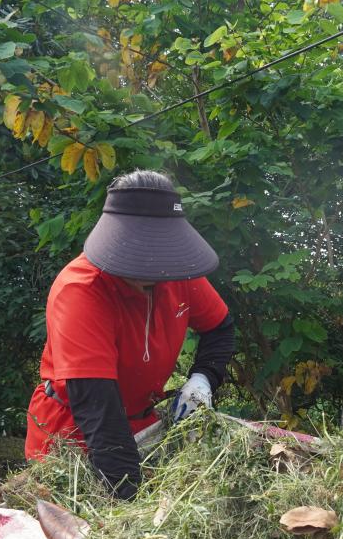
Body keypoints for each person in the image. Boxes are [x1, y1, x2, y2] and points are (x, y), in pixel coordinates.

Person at [24, 170, 235, 499]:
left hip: (141, 424)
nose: (154, 273)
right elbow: (98, 411)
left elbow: (220, 327)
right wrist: (131, 503)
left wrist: (204, 377)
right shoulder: (82, 290)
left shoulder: (177, 274)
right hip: (71, 437)